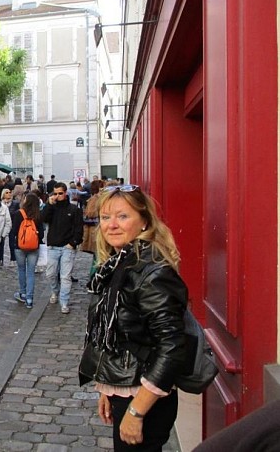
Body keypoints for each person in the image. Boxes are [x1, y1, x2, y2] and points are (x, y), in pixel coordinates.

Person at [78, 184, 188, 451]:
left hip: (144, 399)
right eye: (105, 217)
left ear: (144, 222)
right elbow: (116, 335)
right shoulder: (119, 263)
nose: (111, 225)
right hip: (125, 389)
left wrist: (137, 412)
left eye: (122, 216)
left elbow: (172, 347)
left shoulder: (151, 271)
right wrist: (107, 386)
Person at [41, 182, 83, 314]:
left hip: (67, 247)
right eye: (55, 193)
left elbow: (79, 229)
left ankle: (64, 301)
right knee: (50, 273)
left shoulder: (74, 209)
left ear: (65, 193)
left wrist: (73, 243)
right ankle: (55, 291)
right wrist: (49, 204)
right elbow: (42, 218)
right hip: (53, 246)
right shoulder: (51, 208)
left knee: (65, 276)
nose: (57, 196)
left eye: (60, 193)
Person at [11, 192, 44, 308]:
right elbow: (41, 234)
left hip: (20, 246)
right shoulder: (38, 215)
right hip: (34, 247)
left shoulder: (18, 214)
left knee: (21, 270)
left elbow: (14, 231)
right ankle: (29, 299)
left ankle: (23, 293)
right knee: (31, 272)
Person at [81, 179, 104, 255]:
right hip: (95, 229)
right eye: (101, 187)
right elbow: (90, 213)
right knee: (97, 254)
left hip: (95, 228)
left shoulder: (96, 198)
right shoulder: (95, 198)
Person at [1, 187, 20, 265]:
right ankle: (0, 259)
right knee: (1, 243)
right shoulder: (0, 204)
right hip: (2, 225)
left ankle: (13, 259)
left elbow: (17, 214)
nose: (9, 194)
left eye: (9, 192)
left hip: (12, 225)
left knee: (12, 243)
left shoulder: (15, 203)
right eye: (7, 192)